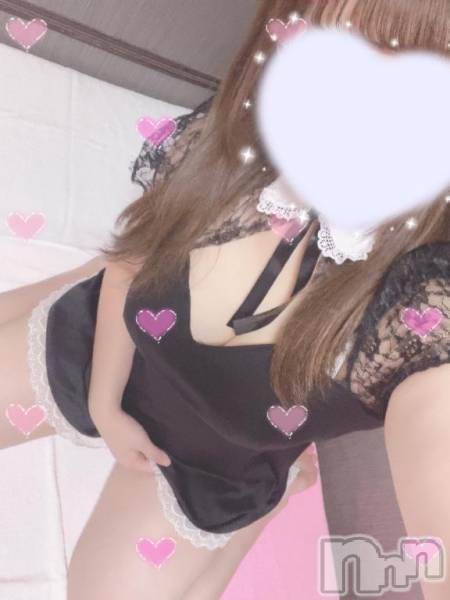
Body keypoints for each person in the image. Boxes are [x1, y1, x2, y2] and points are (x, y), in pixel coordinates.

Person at [0, 1, 449, 599]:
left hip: (208, 464)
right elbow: (135, 258)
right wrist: (106, 402)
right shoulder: (236, 137)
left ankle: (276, 490)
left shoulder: (420, 313)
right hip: (105, 341)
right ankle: (81, 282)